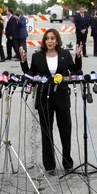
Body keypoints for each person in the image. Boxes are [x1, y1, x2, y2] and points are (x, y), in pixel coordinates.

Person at [20, 28, 83, 175]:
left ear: (57, 40)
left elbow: (74, 70)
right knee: (46, 132)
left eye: (52, 38)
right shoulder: (37, 56)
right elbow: (31, 74)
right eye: (47, 38)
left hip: (62, 97)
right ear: (44, 40)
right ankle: (49, 165)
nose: (49, 41)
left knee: (65, 131)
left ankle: (67, 163)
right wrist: (23, 62)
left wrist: (78, 57)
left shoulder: (65, 55)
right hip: (44, 98)